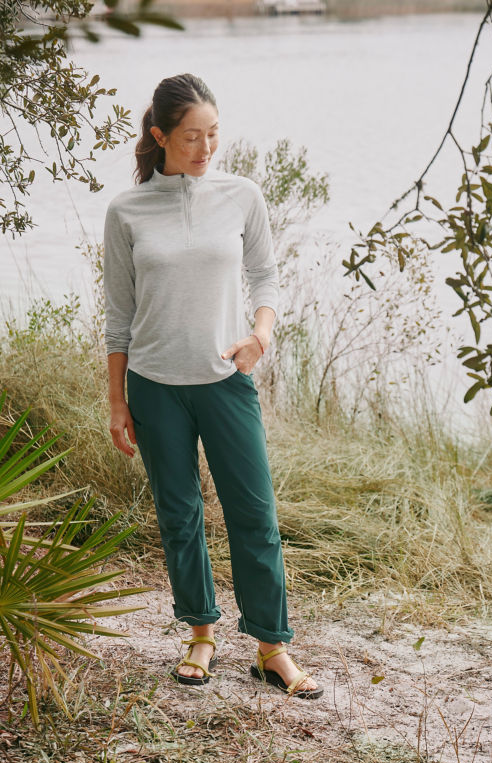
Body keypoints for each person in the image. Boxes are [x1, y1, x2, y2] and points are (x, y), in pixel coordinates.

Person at [103, 73, 323, 700]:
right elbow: (118, 316)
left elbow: (266, 277)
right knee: (180, 515)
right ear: (160, 136)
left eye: (214, 135)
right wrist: (117, 400)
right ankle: (201, 631)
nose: (205, 148)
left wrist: (260, 336)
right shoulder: (126, 209)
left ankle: (271, 646)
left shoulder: (242, 195)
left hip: (227, 380)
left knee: (255, 515)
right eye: (192, 137)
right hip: (154, 384)